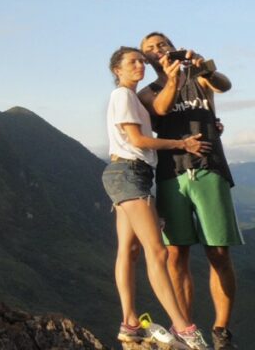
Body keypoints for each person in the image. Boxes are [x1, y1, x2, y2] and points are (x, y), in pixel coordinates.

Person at [138, 32, 243, 350]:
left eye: (162, 45)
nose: (158, 51)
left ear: (173, 47)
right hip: (172, 174)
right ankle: (184, 328)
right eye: (150, 50)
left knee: (219, 252)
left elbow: (224, 85)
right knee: (176, 254)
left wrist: (205, 69)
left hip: (210, 169)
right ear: (147, 59)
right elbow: (160, 108)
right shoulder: (147, 92)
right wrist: (171, 79)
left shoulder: (200, 78)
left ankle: (221, 330)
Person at [103, 47, 210, 348]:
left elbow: (160, 107)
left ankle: (130, 323)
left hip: (125, 173)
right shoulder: (122, 96)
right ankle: (183, 328)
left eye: (141, 61)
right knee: (157, 252)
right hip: (129, 173)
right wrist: (182, 143)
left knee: (129, 251)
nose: (139, 65)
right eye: (131, 62)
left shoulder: (133, 98)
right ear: (117, 70)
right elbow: (136, 140)